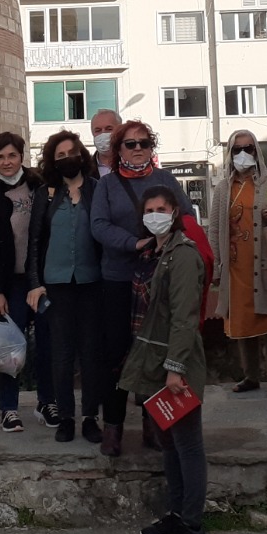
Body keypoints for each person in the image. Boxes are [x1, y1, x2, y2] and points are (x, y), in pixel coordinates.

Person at [90, 119, 194, 457]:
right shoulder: (107, 186)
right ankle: (114, 426)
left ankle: (154, 423)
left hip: (159, 279)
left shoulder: (165, 180)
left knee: (154, 352)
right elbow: (99, 225)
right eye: (130, 144)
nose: (137, 149)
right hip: (118, 278)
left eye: (144, 143)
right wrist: (134, 243)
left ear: (152, 146)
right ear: (118, 149)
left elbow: (188, 217)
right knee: (115, 354)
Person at [121, 186, 211, 534]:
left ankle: (193, 525)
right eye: (149, 209)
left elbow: (184, 317)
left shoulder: (184, 255)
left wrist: (175, 368)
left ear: (175, 212)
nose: (155, 214)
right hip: (156, 360)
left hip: (178, 362)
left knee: (188, 445)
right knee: (169, 444)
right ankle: (177, 512)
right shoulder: (160, 254)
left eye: (162, 208)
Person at [25, 131, 104, 442]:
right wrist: (35, 283)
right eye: (60, 155)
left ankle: (90, 417)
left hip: (91, 281)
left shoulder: (97, 190)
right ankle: (66, 417)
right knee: (61, 353)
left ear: (81, 154)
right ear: (52, 161)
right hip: (56, 284)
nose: (67, 158)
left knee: (90, 352)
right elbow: (34, 242)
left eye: (71, 152)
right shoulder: (46, 195)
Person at [206, 129, 267, 400]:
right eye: (237, 149)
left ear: (257, 151)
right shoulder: (223, 188)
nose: (243, 154)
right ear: (230, 154)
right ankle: (251, 376)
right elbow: (215, 230)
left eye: (249, 148)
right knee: (243, 324)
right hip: (237, 266)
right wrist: (217, 266)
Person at [0, 131, 53, 432]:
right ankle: (8, 408)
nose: (6, 162)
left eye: (11, 155)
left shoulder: (41, 188)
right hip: (11, 283)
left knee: (48, 343)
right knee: (8, 349)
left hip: (43, 280)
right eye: (0, 157)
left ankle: (47, 402)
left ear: (21, 156)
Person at [89, 109, 121, 179]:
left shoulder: (132, 164)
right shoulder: (85, 170)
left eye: (109, 129)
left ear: (120, 130)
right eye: (98, 130)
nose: (103, 133)